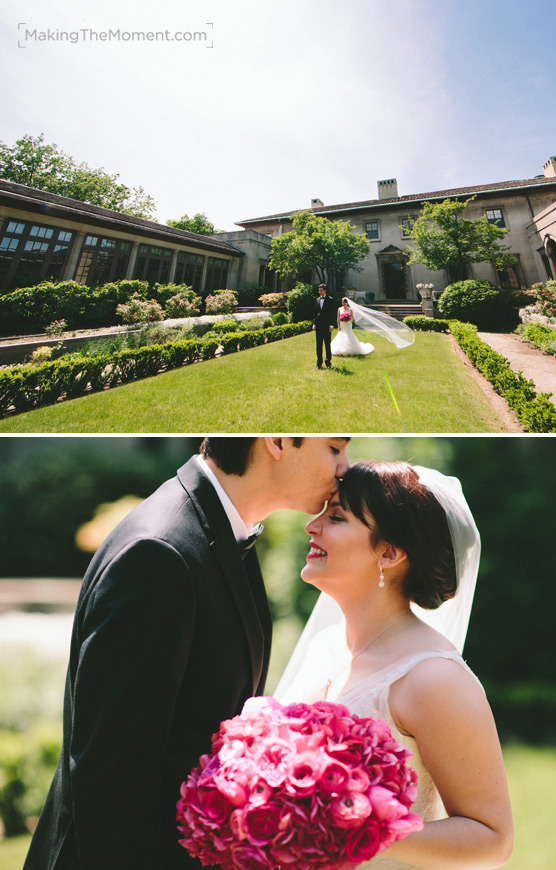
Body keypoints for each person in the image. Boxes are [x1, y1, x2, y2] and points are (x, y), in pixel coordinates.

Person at [24, 436, 350, 870]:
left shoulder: (221, 532)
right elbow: (113, 780)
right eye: (334, 448)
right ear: (276, 440)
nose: (344, 465)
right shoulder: (159, 554)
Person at [276, 461, 514, 870]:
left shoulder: (432, 678)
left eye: (336, 517)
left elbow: (492, 836)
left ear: (389, 553)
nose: (311, 526)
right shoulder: (324, 647)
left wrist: (355, 830)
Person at [313, 283, 337, 369]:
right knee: (319, 345)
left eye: (321, 290)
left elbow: (332, 313)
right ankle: (319, 363)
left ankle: (328, 363)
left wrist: (331, 325)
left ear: (325, 290)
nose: (319, 292)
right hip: (319, 326)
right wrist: (314, 324)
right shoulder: (317, 300)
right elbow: (315, 313)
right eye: (319, 290)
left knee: (327, 345)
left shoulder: (330, 300)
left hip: (327, 326)